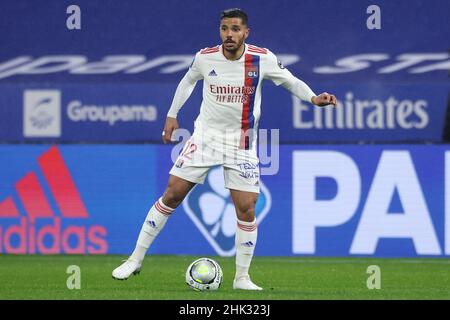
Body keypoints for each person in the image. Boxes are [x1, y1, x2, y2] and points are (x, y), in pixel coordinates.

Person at [112, 8, 337, 290]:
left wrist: (314, 98)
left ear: (246, 32)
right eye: (224, 29)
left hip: (242, 144)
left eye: (234, 29)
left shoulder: (262, 58)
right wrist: (172, 115)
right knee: (172, 193)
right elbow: (187, 82)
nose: (229, 34)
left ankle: (242, 278)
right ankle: (135, 258)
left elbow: (290, 81)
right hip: (205, 138)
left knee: (246, 208)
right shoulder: (205, 58)